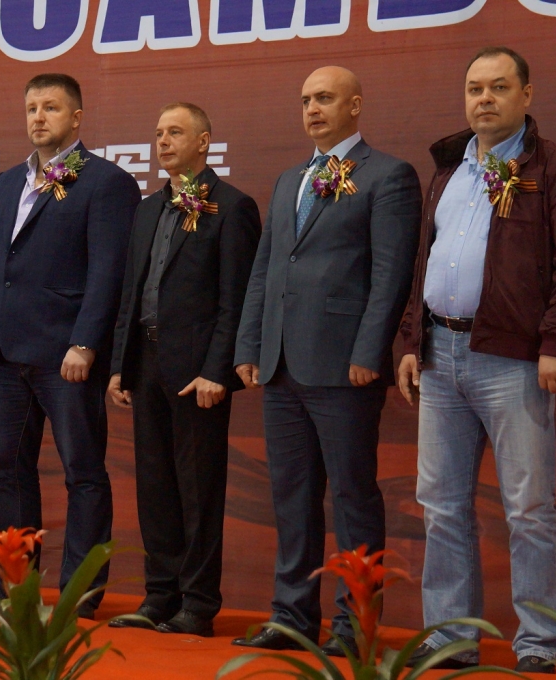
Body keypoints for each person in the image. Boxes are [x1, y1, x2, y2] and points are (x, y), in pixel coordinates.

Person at [397, 47, 556, 672]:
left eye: (498, 87)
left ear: (526, 95)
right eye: (474, 88)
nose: (484, 99)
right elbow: (423, 265)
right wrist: (410, 342)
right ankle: (452, 637)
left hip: (514, 359)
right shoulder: (448, 170)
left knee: (529, 509)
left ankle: (539, 643)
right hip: (439, 356)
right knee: (441, 507)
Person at [233, 66, 421, 655]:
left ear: (355, 105)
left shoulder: (388, 175)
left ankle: (355, 624)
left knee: (352, 497)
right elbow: (265, 270)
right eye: (306, 100)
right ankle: (291, 617)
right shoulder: (289, 179)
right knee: (292, 498)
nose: (312, 109)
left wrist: (370, 350)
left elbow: (391, 274)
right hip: (281, 365)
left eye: (324, 98)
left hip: (344, 367)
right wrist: (249, 346)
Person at [0, 73, 140, 618]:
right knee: (7, 468)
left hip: (67, 355)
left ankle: (80, 591)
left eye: (51, 107)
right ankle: (14, 582)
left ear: (76, 117)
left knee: (83, 470)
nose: (38, 117)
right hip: (8, 351)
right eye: (32, 107)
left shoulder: (106, 182)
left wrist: (86, 342)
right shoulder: (8, 182)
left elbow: (109, 271)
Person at [106, 103, 261, 636]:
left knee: (198, 489)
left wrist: (219, 369)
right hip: (146, 362)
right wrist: (120, 365)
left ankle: (197, 603)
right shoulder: (148, 208)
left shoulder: (232, 207)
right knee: (154, 486)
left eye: (175, 132)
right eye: (158, 133)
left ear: (205, 141)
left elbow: (236, 300)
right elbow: (131, 292)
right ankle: (159, 595)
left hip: (198, 372)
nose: (164, 141)